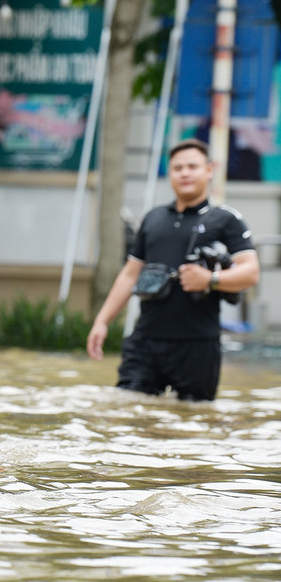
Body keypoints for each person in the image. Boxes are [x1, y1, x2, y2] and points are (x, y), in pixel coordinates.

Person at [87, 139, 259, 400]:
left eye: (192, 166)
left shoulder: (226, 219)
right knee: (129, 411)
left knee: (192, 422)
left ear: (209, 170)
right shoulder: (153, 218)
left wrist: (210, 279)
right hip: (145, 340)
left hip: (198, 345)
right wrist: (102, 321)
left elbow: (251, 273)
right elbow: (130, 274)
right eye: (178, 168)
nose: (185, 173)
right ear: (170, 173)